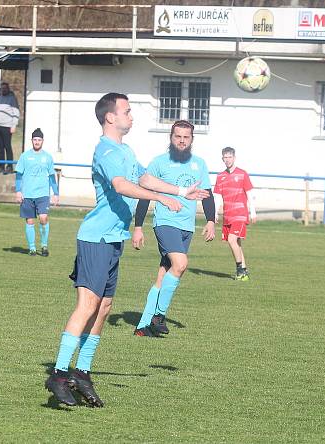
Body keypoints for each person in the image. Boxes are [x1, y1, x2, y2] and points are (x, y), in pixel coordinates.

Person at [44, 94, 208, 407]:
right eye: (127, 111)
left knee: (103, 307)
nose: (131, 116)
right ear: (110, 117)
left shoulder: (125, 150)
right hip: (95, 239)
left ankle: (82, 371)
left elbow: (143, 177)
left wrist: (181, 191)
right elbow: (121, 185)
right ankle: (60, 373)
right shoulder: (105, 150)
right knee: (88, 303)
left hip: (112, 240)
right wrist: (159, 200)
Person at [132, 120, 216, 337]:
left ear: (192, 139)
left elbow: (207, 194)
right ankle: (159, 316)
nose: (181, 140)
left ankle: (142, 326)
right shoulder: (159, 163)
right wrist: (138, 226)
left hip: (186, 227)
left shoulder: (199, 164)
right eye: (177, 136)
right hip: (165, 223)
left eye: (186, 137)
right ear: (171, 137)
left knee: (164, 275)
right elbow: (145, 193)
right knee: (180, 264)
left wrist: (210, 221)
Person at [213, 146, 257, 280]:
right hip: (228, 216)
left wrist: (253, 211)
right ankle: (244, 270)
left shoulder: (242, 174)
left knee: (232, 240)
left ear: (234, 158)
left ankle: (240, 270)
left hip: (240, 215)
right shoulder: (220, 176)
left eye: (229, 157)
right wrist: (214, 213)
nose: (227, 160)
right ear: (222, 159)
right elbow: (217, 197)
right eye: (225, 157)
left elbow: (249, 193)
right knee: (236, 243)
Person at [15, 128, 58, 257]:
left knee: (43, 218)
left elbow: (52, 177)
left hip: (43, 194)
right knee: (29, 221)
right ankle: (32, 248)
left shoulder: (47, 157)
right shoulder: (25, 156)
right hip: (28, 194)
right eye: (35, 139)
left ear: (42, 141)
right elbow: (18, 175)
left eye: (39, 140)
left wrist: (55, 193)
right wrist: (18, 191)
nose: (37, 142)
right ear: (32, 141)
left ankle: (44, 246)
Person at [0, 82, 20, 175]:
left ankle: (9, 166)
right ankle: (1, 166)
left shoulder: (12, 99)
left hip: (7, 126)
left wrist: (14, 125)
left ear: (8, 89)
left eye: (5, 88)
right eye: (2, 88)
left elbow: (16, 112)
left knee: (7, 146)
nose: (3, 90)